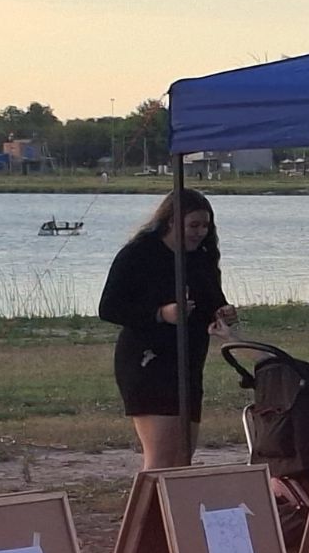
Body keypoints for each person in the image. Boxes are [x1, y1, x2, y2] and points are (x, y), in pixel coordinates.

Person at [98, 188, 238, 471]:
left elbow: (211, 301)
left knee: (182, 458)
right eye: (193, 225)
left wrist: (223, 313)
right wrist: (161, 313)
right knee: (161, 459)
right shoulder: (139, 253)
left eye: (205, 226)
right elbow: (109, 308)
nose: (200, 233)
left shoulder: (202, 257)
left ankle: (174, 502)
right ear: (172, 221)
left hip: (188, 363)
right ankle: (147, 502)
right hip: (148, 360)